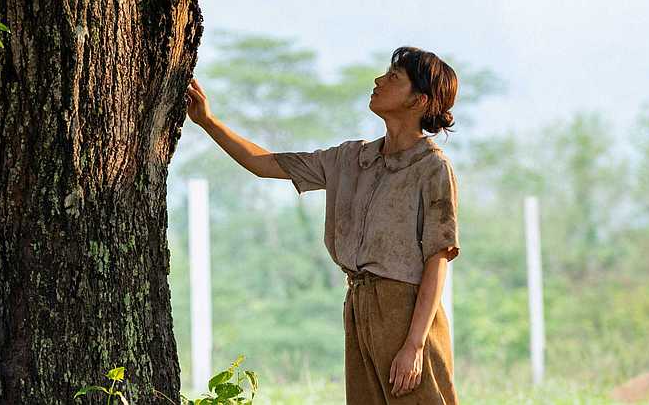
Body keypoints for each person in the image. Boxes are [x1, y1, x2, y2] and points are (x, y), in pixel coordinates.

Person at [185, 46, 460, 404]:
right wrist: (208, 121)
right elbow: (263, 164)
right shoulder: (350, 158)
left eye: (393, 78)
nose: (378, 81)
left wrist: (414, 344)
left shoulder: (432, 167)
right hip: (358, 304)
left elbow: (437, 260)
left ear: (419, 100)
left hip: (407, 313)